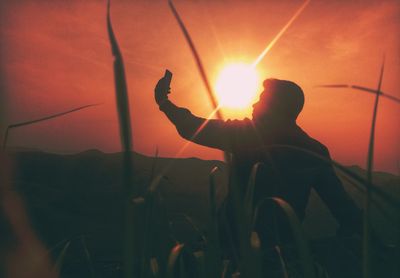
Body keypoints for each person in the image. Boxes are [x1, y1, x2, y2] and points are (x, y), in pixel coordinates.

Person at [154, 76, 364, 272]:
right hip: (284, 257)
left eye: (261, 100)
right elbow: (343, 208)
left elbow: (193, 126)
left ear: (276, 108)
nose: (254, 105)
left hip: (234, 251)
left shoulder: (249, 135)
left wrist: (163, 102)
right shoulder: (315, 150)